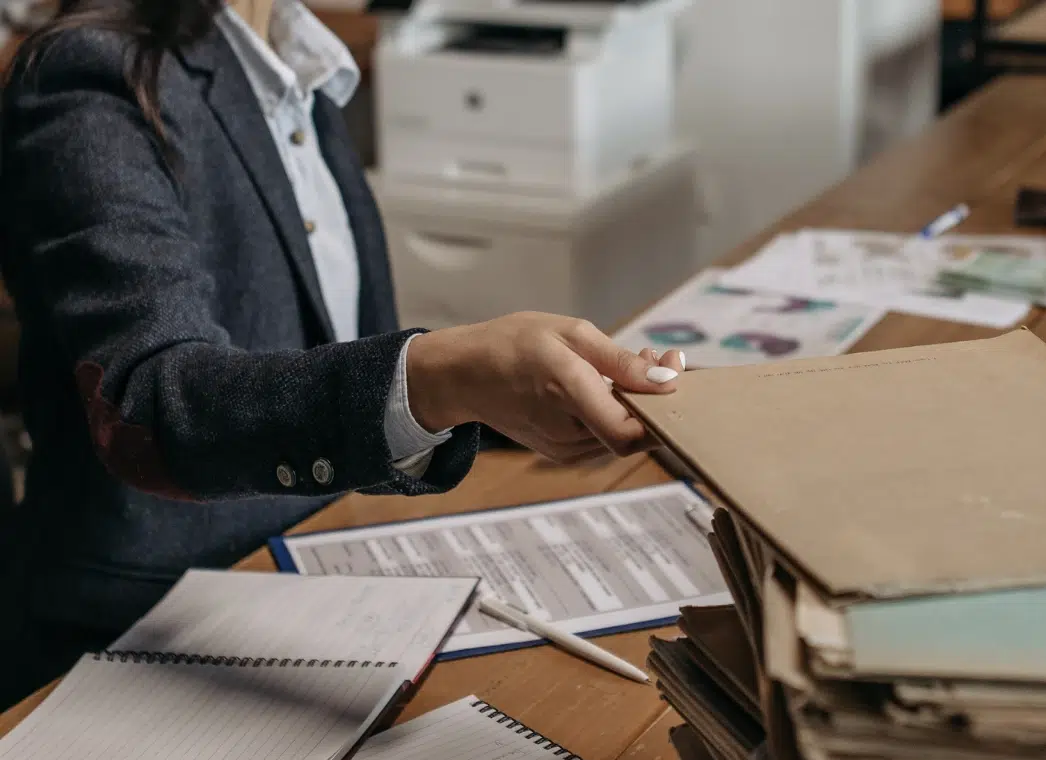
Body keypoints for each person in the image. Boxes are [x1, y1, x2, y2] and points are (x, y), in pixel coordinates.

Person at [0, 0, 683, 706]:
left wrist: (527, 394)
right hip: (134, 636)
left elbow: (326, 355)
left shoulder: (293, 63)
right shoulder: (90, 74)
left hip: (316, 573)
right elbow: (148, 403)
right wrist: (448, 374)